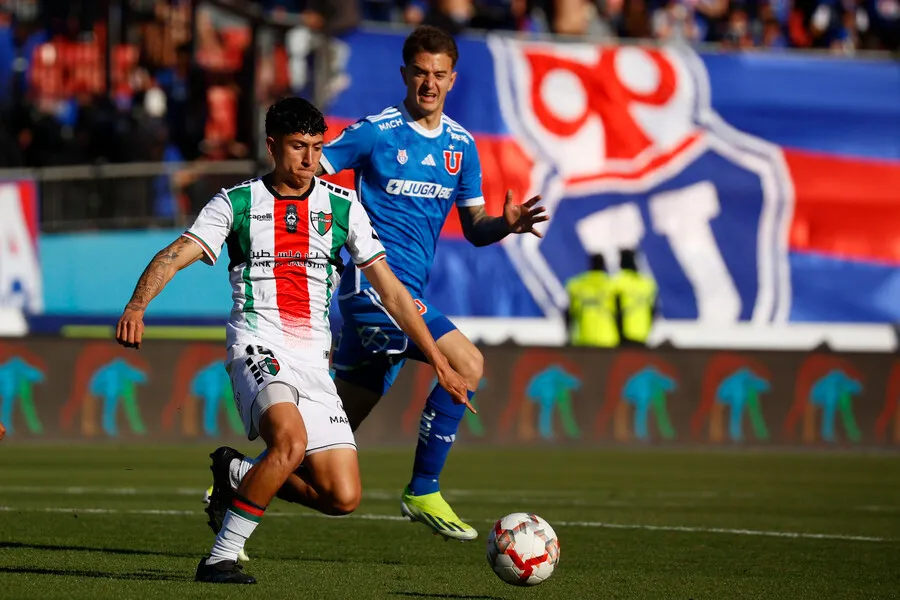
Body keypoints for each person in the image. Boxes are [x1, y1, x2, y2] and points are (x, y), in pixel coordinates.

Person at [211, 25, 547, 543]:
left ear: (452, 80)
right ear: (404, 75)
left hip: (409, 296)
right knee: (468, 362)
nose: (428, 84)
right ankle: (423, 487)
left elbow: (476, 229)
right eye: (419, 72)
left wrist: (508, 223)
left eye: (438, 75)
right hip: (373, 293)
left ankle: (238, 477)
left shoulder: (462, 146)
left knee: (322, 447)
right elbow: (303, 175)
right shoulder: (376, 130)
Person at [116, 97, 470, 584]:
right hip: (258, 347)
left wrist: (438, 361)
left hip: (313, 364)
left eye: (316, 148)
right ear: (271, 146)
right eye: (297, 147)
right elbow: (177, 253)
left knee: (342, 498)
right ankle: (221, 555)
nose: (308, 160)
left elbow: (392, 291)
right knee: (290, 442)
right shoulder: (235, 203)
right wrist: (138, 305)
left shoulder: (343, 207)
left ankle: (238, 474)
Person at [565, 253, 620, 348]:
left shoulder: (576, 285)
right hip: (608, 338)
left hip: (583, 338)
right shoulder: (613, 286)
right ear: (604, 265)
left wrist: (569, 337)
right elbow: (619, 314)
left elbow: (569, 314)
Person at [612, 248, 657, 346]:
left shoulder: (617, 283)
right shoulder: (647, 284)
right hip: (643, 335)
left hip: (623, 336)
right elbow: (654, 310)